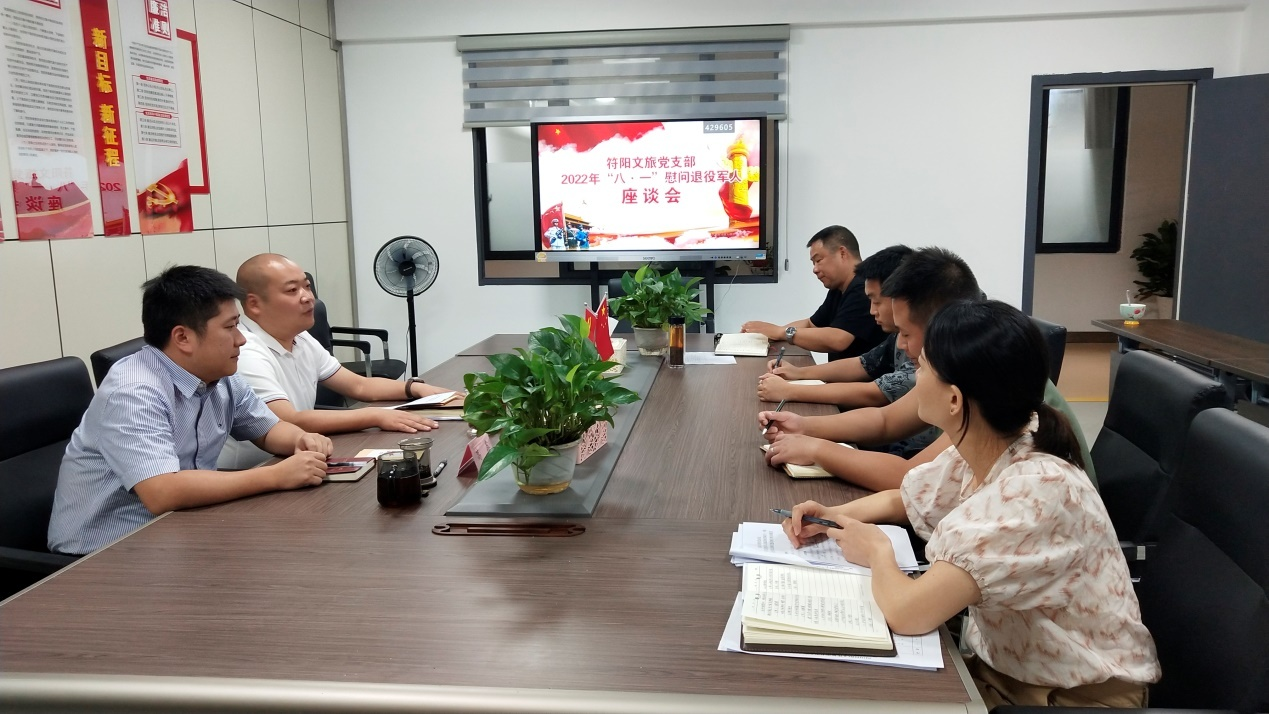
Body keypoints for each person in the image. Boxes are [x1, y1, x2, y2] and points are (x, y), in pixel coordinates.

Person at [781, 300, 1159, 707]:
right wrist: (834, 517)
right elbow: (904, 498)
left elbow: (907, 612)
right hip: (1005, 669)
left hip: (1070, 698)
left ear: (955, 401)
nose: (915, 375)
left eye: (923, 368)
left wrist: (876, 550)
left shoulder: (1032, 493)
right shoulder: (999, 439)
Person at [48, 266, 333, 556]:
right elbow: (162, 491)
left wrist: (300, 439)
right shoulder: (134, 392)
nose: (241, 339)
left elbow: (267, 429)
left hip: (181, 528)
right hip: (103, 554)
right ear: (183, 338)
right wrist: (275, 476)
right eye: (230, 327)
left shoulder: (220, 375)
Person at [761, 247, 1095, 490]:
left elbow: (909, 478)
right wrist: (803, 425)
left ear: (942, 326)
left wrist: (817, 447)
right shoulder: (959, 364)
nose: (900, 345)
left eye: (907, 333)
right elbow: (885, 420)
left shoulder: (984, 384)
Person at [219, 254, 460, 470]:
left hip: (295, 459)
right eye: (292, 290)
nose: (308, 297)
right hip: (251, 471)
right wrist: (375, 416)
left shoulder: (301, 338)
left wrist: (415, 389)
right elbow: (287, 419)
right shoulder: (245, 351)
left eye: (307, 286)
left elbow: (359, 386)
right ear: (254, 304)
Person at [758, 244, 914, 408]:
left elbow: (876, 397)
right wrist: (798, 372)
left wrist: (790, 391)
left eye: (876, 302)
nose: (872, 311)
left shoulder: (926, 346)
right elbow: (861, 364)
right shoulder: (896, 338)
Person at [741, 225, 885, 361]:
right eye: (813, 263)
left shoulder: (862, 287)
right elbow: (811, 324)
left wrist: (780, 332)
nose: (815, 269)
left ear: (842, 253)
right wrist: (770, 333)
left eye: (818, 260)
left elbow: (838, 339)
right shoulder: (839, 289)